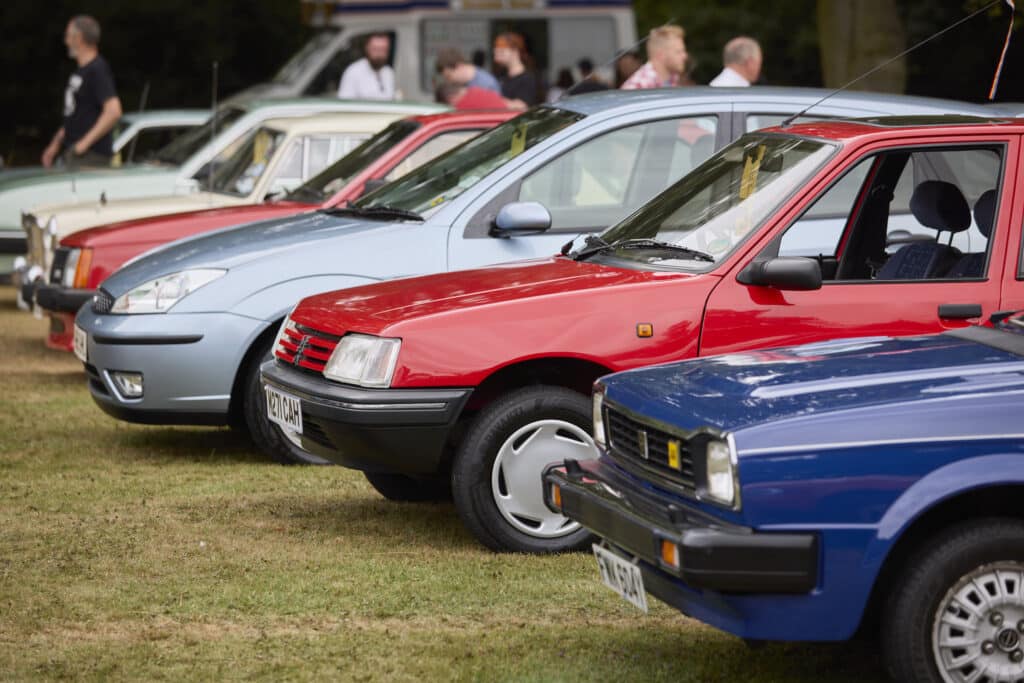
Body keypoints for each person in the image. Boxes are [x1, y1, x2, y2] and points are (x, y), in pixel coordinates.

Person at [41, 15, 123, 169]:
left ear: (78, 38)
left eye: (68, 36)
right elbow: (74, 116)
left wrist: (81, 146)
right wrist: (55, 145)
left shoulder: (97, 69)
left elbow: (113, 111)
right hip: (76, 154)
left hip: (90, 158)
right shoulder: (81, 72)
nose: (66, 41)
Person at [621, 25, 687, 90]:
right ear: (661, 55)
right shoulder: (636, 87)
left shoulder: (673, 78)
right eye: (678, 52)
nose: (685, 56)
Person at [338, 33, 395, 100]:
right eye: (375, 49)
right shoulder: (353, 72)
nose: (379, 54)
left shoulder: (389, 72)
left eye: (383, 50)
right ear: (367, 48)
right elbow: (344, 102)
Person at [492, 33, 540, 108]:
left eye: (501, 52)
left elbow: (522, 106)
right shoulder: (501, 75)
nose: (496, 58)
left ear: (515, 51)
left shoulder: (527, 78)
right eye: (496, 53)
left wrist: (491, 100)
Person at [435, 47, 501, 93]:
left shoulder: (485, 84)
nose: (449, 81)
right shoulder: (462, 85)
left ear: (459, 66)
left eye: (449, 76)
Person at [439, 82, 508, 110]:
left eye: (449, 104)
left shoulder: (463, 105)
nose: (452, 105)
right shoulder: (477, 89)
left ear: (451, 98)